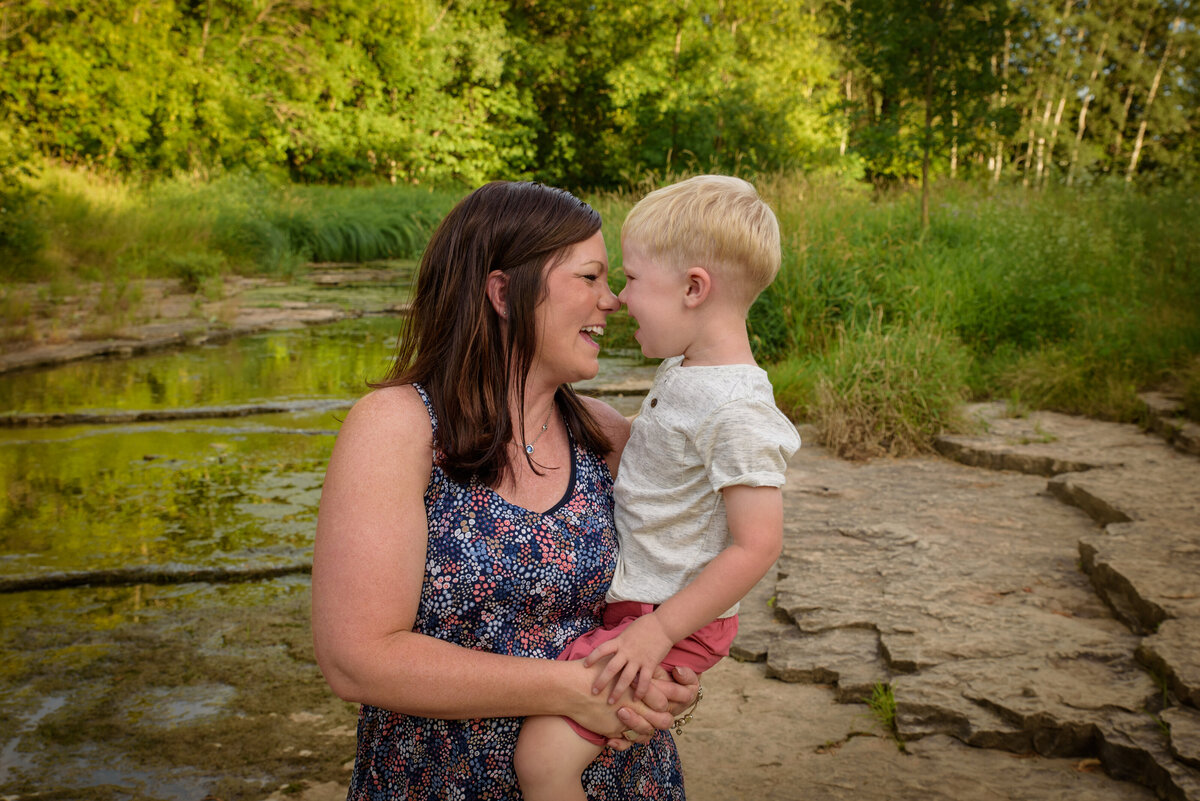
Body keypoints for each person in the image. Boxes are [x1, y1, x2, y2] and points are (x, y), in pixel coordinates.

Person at [310, 180, 700, 801]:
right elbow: (356, 659)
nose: (613, 301)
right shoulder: (398, 427)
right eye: (589, 278)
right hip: (439, 781)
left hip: (619, 780)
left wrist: (673, 679)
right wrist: (571, 689)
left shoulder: (607, 434)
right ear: (502, 292)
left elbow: (672, 594)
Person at [514, 175, 801, 801]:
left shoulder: (737, 409)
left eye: (633, 279)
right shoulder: (689, 370)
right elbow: (657, 450)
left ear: (695, 288)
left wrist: (660, 632)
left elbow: (759, 545)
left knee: (543, 762)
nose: (617, 299)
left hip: (663, 615)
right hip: (646, 606)